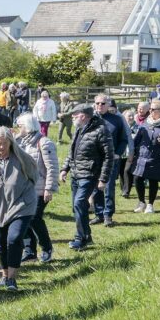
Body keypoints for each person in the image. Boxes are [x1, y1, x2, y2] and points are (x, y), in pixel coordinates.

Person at [0, 126, 37, 291]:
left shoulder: (22, 158)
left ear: (10, 142)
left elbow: (34, 178)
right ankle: (4, 275)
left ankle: (12, 278)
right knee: (1, 243)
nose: (1, 147)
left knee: (13, 239)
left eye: (4, 143)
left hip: (22, 205)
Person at [58, 104, 113, 251]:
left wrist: (103, 179)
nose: (73, 117)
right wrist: (65, 169)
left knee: (79, 203)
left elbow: (109, 157)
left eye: (75, 114)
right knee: (78, 207)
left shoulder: (101, 130)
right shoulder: (79, 129)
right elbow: (72, 152)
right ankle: (87, 236)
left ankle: (80, 239)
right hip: (76, 174)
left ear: (83, 116)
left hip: (90, 175)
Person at [15, 114, 59, 264]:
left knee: (34, 218)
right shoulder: (21, 142)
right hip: (24, 189)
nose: (18, 128)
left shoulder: (44, 142)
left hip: (39, 189)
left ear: (27, 126)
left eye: (20, 125)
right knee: (22, 218)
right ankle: (30, 251)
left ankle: (47, 248)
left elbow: (52, 168)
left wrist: (49, 189)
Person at [132, 99, 160, 213]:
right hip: (142, 156)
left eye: (153, 109)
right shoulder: (145, 122)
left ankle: (150, 205)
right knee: (137, 178)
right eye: (150, 109)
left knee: (153, 181)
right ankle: (142, 202)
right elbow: (137, 138)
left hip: (157, 157)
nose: (150, 111)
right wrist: (132, 150)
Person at [91, 94, 130, 227]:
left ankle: (108, 214)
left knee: (108, 187)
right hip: (94, 160)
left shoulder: (117, 120)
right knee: (95, 187)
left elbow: (124, 139)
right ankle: (99, 214)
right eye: (97, 103)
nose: (99, 106)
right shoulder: (91, 119)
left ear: (108, 105)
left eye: (102, 103)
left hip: (111, 160)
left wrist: (118, 154)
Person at [120, 109, 139, 197]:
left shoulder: (138, 127)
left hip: (131, 153)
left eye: (132, 115)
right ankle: (123, 189)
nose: (131, 117)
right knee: (121, 171)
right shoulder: (121, 127)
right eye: (129, 116)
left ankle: (126, 191)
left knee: (127, 171)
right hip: (121, 153)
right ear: (124, 117)